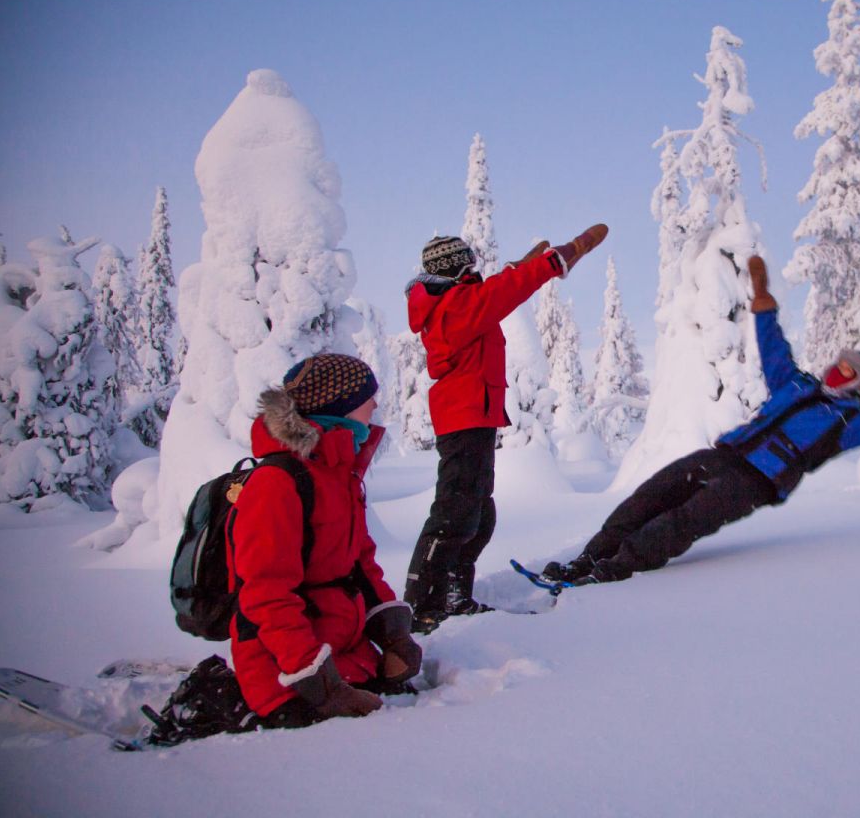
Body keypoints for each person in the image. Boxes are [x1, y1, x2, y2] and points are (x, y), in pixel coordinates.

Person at [542, 255, 860, 587]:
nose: (839, 370)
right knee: (647, 498)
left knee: (682, 522)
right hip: (722, 456)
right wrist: (763, 301)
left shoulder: (846, 423)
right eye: (839, 362)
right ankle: (586, 561)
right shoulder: (796, 384)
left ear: (858, 384)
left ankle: (613, 571)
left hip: (755, 482)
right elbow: (772, 349)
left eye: (849, 371)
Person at [405, 224, 608, 632]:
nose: (473, 270)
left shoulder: (458, 302)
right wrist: (557, 260)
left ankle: (452, 596)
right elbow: (499, 294)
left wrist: (519, 265)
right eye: (468, 266)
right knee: (455, 514)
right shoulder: (455, 307)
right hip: (463, 418)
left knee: (478, 514)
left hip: (475, 417)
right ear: (456, 271)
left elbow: (491, 292)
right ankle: (421, 606)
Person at [229, 353, 422, 729]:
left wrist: (393, 636)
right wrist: (320, 684)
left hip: (342, 654)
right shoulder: (277, 483)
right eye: (368, 397)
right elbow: (266, 596)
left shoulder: (337, 474)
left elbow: (360, 566)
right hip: (284, 673)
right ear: (342, 407)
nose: (376, 405)